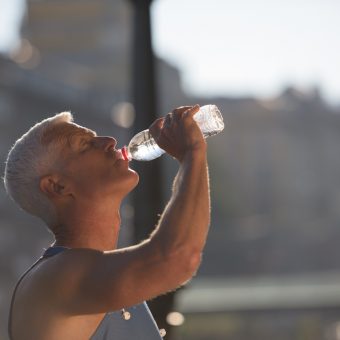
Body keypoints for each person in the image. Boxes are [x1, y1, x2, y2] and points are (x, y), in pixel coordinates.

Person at [4, 104, 211, 340]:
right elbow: (177, 258)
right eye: (85, 145)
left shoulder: (98, 273)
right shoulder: (55, 278)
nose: (110, 141)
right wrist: (192, 152)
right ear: (57, 186)